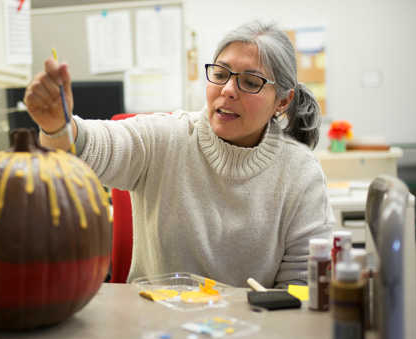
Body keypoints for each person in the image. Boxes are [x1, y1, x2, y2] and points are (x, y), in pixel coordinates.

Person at [24, 20, 335, 289]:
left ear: (282, 102)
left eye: (250, 82)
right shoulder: (165, 137)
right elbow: (92, 146)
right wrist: (57, 127)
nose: (227, 89)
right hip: (155, 330)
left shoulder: (300, 172)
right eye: (220, 73)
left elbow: (304, 288)